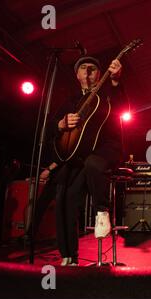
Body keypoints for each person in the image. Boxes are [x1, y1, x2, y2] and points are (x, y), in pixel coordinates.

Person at [52, 56, 123, 266]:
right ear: (77, 75)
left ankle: (102, 211)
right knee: (64, 196)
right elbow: (51, 127)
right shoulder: (69, 101)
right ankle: (68, 255)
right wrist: (61, 124)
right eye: (83, 68)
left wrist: (116, 81)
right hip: (76, 156)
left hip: (103, 150)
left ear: (100, 74)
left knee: (93, 163)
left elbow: (122, 105)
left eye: (93, 68)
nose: (88, 71)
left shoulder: (107, 93)